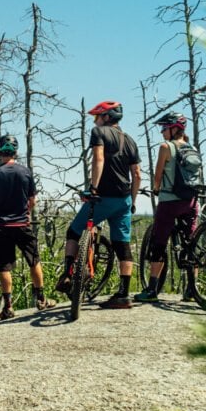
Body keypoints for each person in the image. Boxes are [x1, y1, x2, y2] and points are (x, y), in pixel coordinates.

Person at [55, 100, 142, 309]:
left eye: (97, 117)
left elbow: (98, 159)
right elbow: (137, 174)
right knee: (122, 244)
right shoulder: (129, 140)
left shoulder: (99, 133)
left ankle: (68, 274)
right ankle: (123, 294)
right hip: (124, 199)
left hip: (103, 197)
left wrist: (93, 188)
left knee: (74, 231)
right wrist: (132, 201)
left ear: (106, 117)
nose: (95, 121)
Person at [0, 134, 57, 317]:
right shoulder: (25, 172)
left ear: (0, 152)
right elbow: (33, 200)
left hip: (3, 226)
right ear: (16, 152)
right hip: (23, 224)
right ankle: (41, 299)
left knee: (5, 266)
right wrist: (27, 211)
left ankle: (8, 306)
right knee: (34, 261)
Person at [134, 112, 199, 303]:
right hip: (191, 202)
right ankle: (191, 290)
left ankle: (152, 289)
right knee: (191, 244)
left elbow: (158, 175)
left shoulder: (165, 147)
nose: (162, 132)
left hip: (170, 202)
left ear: (173, 129)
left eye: (164, 128)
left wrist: (155, 189)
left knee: (159, 243)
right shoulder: (192, 148)